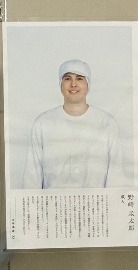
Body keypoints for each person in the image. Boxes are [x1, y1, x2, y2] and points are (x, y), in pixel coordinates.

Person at [22, 59, 125, 189]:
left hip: (95, 201)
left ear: (88, 84)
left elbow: (116, 176)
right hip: (54, 201)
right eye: (67, 79)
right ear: (60, 84)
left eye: (79, 78)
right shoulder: (43, 123)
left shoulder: (106, 122)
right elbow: (32, 175)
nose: (73, 84)